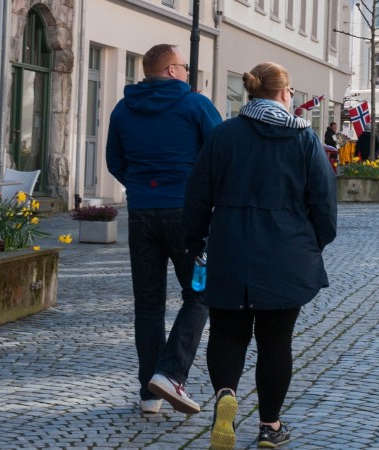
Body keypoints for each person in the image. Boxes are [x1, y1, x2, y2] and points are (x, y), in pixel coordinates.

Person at [184, 61, 337, 449]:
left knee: (227, 332)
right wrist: (313, 244)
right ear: (285, 93)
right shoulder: (304, 138)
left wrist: (196, 240)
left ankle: (225, 395)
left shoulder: (224, 134)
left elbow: (198, 194)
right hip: (286, 252)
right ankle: (270, 426)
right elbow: (324, 200)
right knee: (276, 341)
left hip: (230, 247)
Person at [106, 43, 221, 416]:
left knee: (148, 303)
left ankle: (149, 394)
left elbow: (114, 161)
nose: (187, 72)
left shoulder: (123, 108)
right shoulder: (195, 105)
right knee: (202, 293)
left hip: (142, 213)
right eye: (184, 67)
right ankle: (170, 373)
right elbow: (220, 153)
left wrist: (141, 186)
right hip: (187, 215)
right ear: (172, 70)